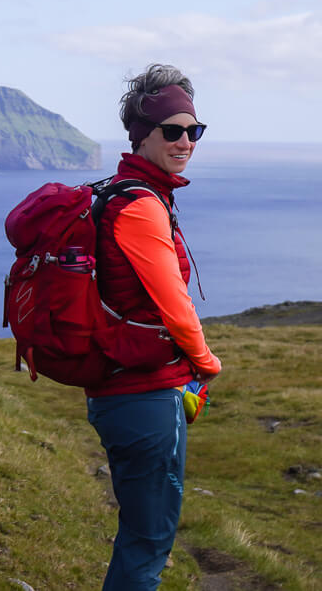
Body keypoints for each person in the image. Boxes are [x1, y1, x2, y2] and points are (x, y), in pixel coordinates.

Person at [87, 63, 223, 591]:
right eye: (173, 130)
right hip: (142, 396)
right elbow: (175, 307)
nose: (186, 140)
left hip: (125, 390)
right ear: (142, 134)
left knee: (142, 536)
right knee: (148, 542)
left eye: (194, 130)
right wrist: (207, 364)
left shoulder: (126, 192)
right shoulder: (141, 205)